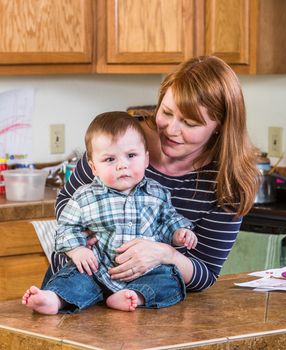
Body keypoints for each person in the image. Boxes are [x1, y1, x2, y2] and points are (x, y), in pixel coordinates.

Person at [47, 55, 260, 296]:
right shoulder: (123, 137)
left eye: (189, 123)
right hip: (79, 285)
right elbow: (65, 202)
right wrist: (86, 234)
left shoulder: (228, 184)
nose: (171, 129)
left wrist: (165, 253)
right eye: (166, 112)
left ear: (219, 126)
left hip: (147, 301)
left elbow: (205, 275)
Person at [22, 112, 198, 314]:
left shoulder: (157, 194)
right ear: (93, 167)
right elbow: (66, 228)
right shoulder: (85, 197)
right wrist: (77, 250)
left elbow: (168, 221)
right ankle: (53, 299)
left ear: (146, 159)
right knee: (74, 276)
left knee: (170, 280)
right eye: (110, 159)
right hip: (96, 269)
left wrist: (179, 233)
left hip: (145, 272)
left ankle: (134, 296)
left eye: (131, 156)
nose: (122, 164)